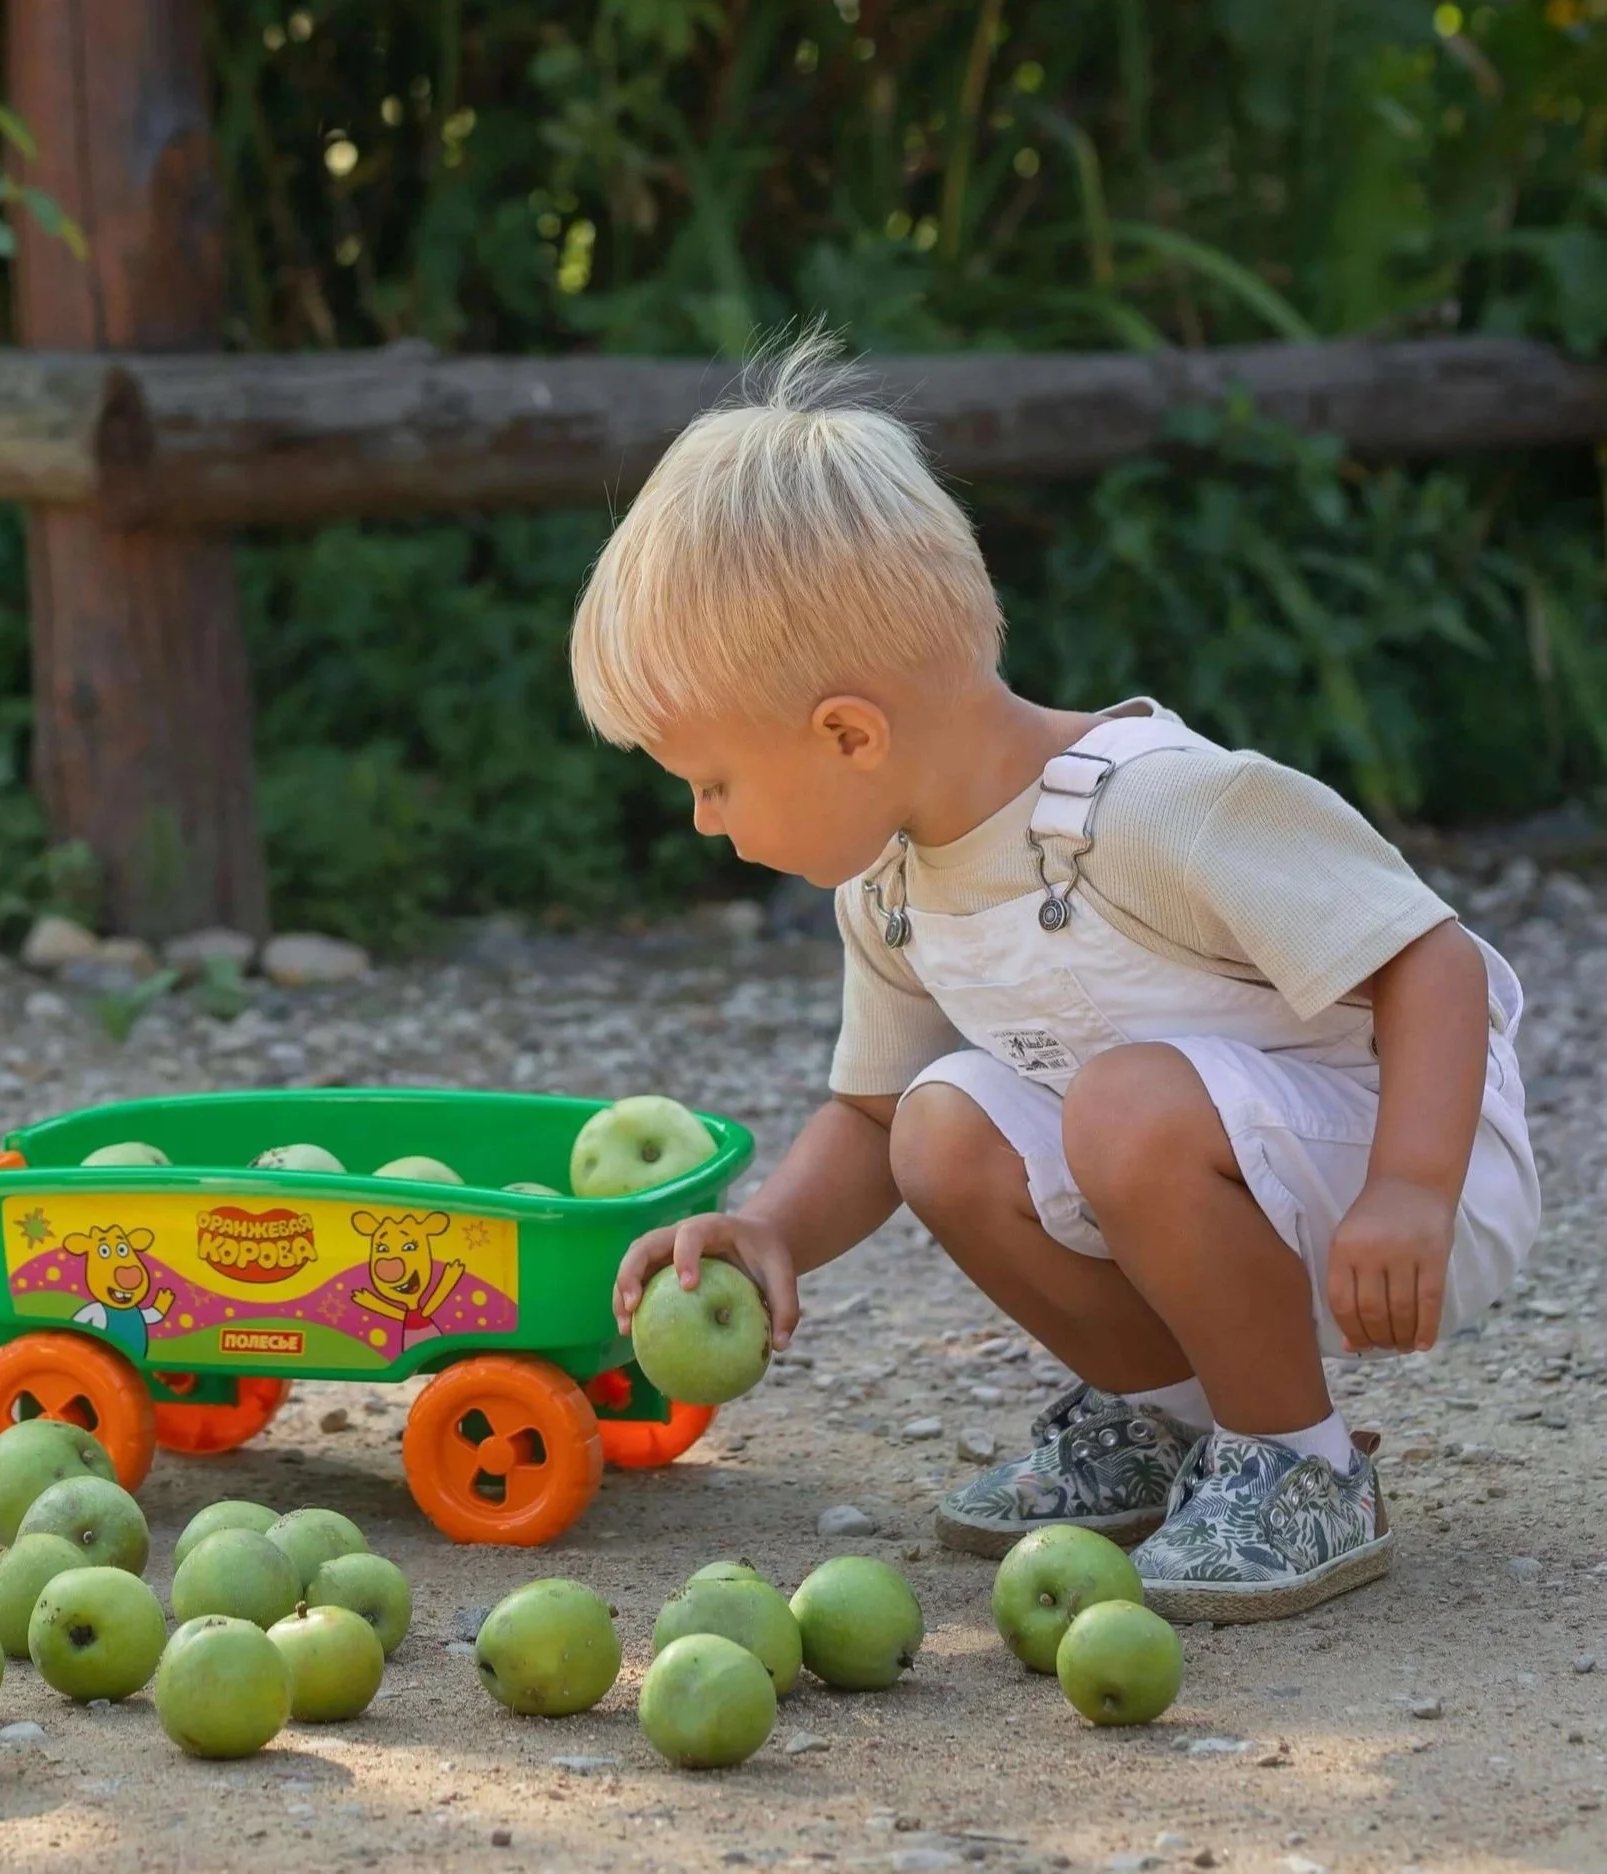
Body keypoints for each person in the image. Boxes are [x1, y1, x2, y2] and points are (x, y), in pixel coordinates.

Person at [577, 333, 1540, 1622]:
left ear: (848, 734)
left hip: (1405, 1169)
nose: (702, 820)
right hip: (1200, 1173)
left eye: (712, 782)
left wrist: (1412, 1191)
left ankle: (1301, 1468)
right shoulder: (893, 883)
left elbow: (1431, 958)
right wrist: (770, 1231)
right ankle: (1173, 1428)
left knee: (1121, 1105)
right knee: (943, 1127)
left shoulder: (1160, 808)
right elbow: (871, 1117)